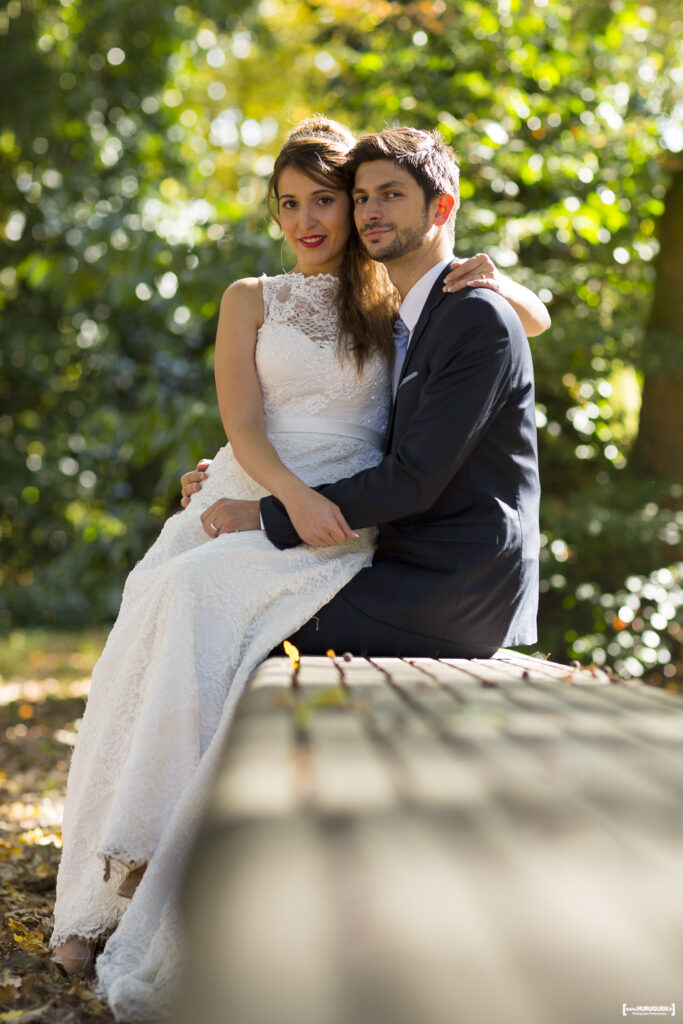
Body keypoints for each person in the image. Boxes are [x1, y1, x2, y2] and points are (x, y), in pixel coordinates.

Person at [51, 118, 547, 1020]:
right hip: (300, 505)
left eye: (342, 197)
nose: (326, 217)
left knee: (213, 620)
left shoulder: (405, 303)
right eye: (305, 202)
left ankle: (186, 881)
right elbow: (254, 417)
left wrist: (493, 272)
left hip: (370, 535)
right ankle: (112, 873)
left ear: (429, 207)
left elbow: (494, 347)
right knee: (161, 598)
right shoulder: (296, 297)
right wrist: (241, 487)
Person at [184, 126, 541, 660]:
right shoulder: (403, 315)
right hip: (392, 559)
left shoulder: (471, 316)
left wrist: (264, 513)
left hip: (450, 586)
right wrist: (228, 477)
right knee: (198, 595)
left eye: (390, 195)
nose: (371, 210)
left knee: (231, 616)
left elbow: (414, 478)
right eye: (361, 198)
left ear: (440, 209)